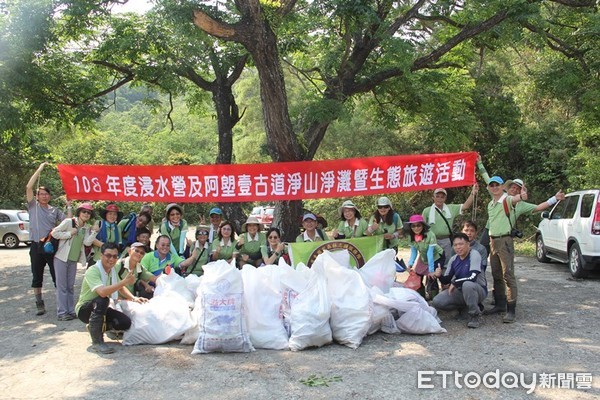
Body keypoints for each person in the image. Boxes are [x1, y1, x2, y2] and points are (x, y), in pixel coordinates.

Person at [75, 243, 147, 354]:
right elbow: (103, 292)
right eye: (108, 255)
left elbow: (121, 288)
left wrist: (134, 298)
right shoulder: (93, 270)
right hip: (85, 309)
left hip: (102, 307)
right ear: (101, 256)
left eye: (115, 256)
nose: (111, 259)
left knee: (124, 323)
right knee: (102, 299)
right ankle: (97, 342)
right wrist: (124, 281)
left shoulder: (112, 271)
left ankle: (95, 328)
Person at [26, 161, 71, 316]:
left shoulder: (55, 210)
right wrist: (39, 169)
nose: (44, 196)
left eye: (46, 194)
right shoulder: (33, 206)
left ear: (50, 196)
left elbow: (68, 222)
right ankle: (39, 303)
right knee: (37, 276)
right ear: (37, 196)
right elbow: (28, 187)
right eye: (41, 194)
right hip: (36, 246)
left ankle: (62, 303)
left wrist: (69, 206)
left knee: (56, 275)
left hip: (50, 246)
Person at [482, 176, 526, 323]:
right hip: (492, 240)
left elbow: (516, 199)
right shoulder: (491, 204)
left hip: (505, 240)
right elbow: (486, 177)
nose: (494, 187)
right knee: (496, 274)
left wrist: (522, 196)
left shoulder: (507, 199)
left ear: (502, 187)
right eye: (491, 185)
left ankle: (511, 309)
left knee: (508, 274)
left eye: (497, 185)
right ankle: (500, 304)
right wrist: (480, 164)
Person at [51, 203, 99, 321]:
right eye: (84, 212)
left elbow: (87, 243)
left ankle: (71, 311)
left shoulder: (86, 227)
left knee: (70, 286)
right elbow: (54, 233)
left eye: (88, 213)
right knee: (62, 286)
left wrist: (94, 232)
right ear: (79, 212)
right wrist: (69, 233)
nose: (86, 214)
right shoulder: (69, 222)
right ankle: (62, 313)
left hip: (73, 260)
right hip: (61, 258)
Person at [432, 233, 488, 329]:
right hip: (461, 290)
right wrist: (439, 275)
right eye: (455, 245)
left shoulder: (474, 255)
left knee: (468, 285)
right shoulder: (454, 259)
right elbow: (446, 280)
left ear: (468, 244)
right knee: (437, 301)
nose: (458, 247)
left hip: (478, 289)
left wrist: (455, 282)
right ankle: (464, 307)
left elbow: (472, 277)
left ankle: (474, 316)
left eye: (461, 244)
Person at [421, 185, 477, 258]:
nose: (439, 199)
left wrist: (473, 193)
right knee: (431, 261)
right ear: (433, 198)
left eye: (442, 197)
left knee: (446, 262)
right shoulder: (427, 211)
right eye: (437, 196)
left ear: (445, 198)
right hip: (432, 240)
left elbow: (465, 206)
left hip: (446, 240)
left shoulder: (451, 208)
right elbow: (422, 227)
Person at [404, 214, 445, 300]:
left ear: (423, 225)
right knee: (417, 275)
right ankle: (422, 298)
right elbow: (414, 252)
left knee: (432, 277)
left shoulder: (430, 235)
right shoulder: (410, 237)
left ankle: (434, 299)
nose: (416, 228)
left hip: (436, 256)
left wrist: (431, 271)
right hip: (423, 257)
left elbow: (430, 253)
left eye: (418, 225)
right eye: (413, 226)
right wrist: (410, 265)